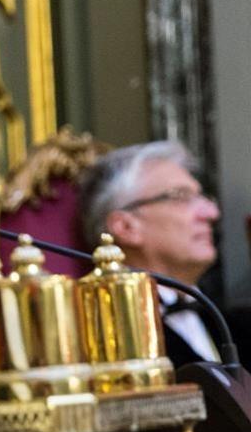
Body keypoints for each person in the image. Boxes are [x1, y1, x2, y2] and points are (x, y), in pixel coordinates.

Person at [78, 141, 223, 366]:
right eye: (181, 196)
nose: (211, 212)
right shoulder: (101, 337)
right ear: (126, 227)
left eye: (203, 197)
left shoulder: (230, 323)